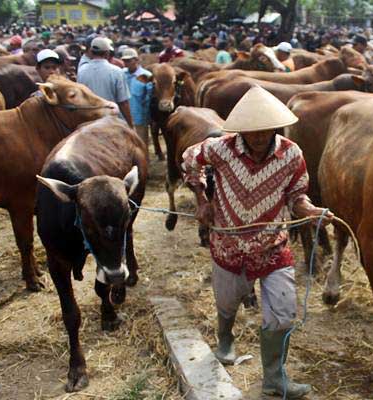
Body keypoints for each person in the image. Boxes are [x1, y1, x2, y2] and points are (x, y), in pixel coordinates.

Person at [182, 86, 333, 399]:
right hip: (228, 243)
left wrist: (312, 211)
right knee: (227, 303)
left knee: (282, 312)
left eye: (265, 130)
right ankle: (225, 340)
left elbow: (297, 196)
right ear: (241, 130)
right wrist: (202, 198)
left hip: (272, 246)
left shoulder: (292, 154)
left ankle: (275, 378)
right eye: (252, 131)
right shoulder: (219, 149)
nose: (259, 136)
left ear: (276, 126)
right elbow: (189, 159)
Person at [77, 37, 133, 127]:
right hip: (113, 121)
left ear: (91, 51)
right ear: (107, 53)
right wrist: (130, 124)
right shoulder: (117, 71)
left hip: (90, 122)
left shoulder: (81, 71)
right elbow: (123, 103)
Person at [122, 48, 153, 154]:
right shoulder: (121, 74)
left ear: (136, 60)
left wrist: (147, 117)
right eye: (125, 61)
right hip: (123, 117)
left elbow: (149, 98)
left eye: (129, 60)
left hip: (139, 117)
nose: (126, 63)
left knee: (141, 144)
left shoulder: (146, 76)